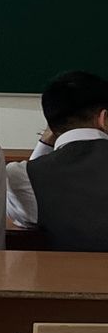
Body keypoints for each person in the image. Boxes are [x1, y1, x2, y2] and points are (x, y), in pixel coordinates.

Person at [6, 70, 108, 250]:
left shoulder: (22, 176)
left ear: (50, 126)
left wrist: (44, 143)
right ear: (104, 118)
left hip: (66, 267)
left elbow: (25, 219)